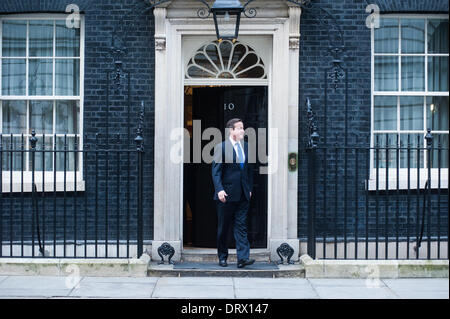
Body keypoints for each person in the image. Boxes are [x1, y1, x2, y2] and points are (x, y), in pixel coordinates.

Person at [211, 118, 255, 268]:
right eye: (240, 128)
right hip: (226, 195)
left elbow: (249, 171)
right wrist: (219, 190)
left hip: (243, 194)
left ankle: (242, 258)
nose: (243, 130)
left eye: (243, 128)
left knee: (241, 226)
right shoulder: (221, 147)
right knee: (223, 227)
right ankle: (222, 257)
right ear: (232, 130)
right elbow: (216, 172)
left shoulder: (247, 147)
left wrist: (249, 189)